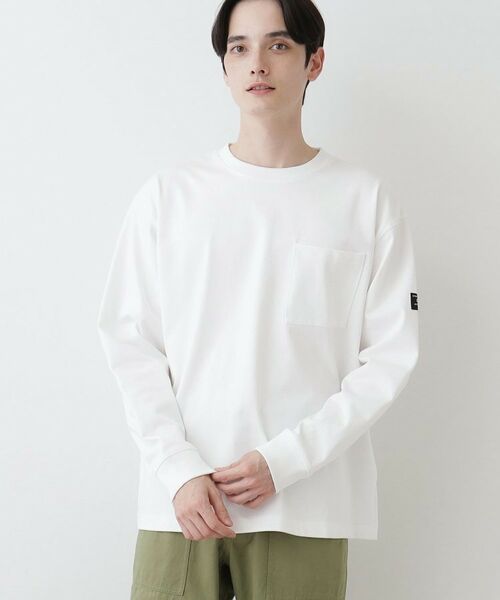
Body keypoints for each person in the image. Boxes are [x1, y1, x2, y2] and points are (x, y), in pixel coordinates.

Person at [97, 0, 420, 598]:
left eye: (278, 45)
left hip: (307, 502)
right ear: (224, 66)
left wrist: (287, 460)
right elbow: (130, 343)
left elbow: (390, 358)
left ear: (314, 62)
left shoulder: (363, 200)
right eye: (239, 48)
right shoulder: (170, 197)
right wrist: (177, 467)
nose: (257, 64)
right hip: (182, 503)